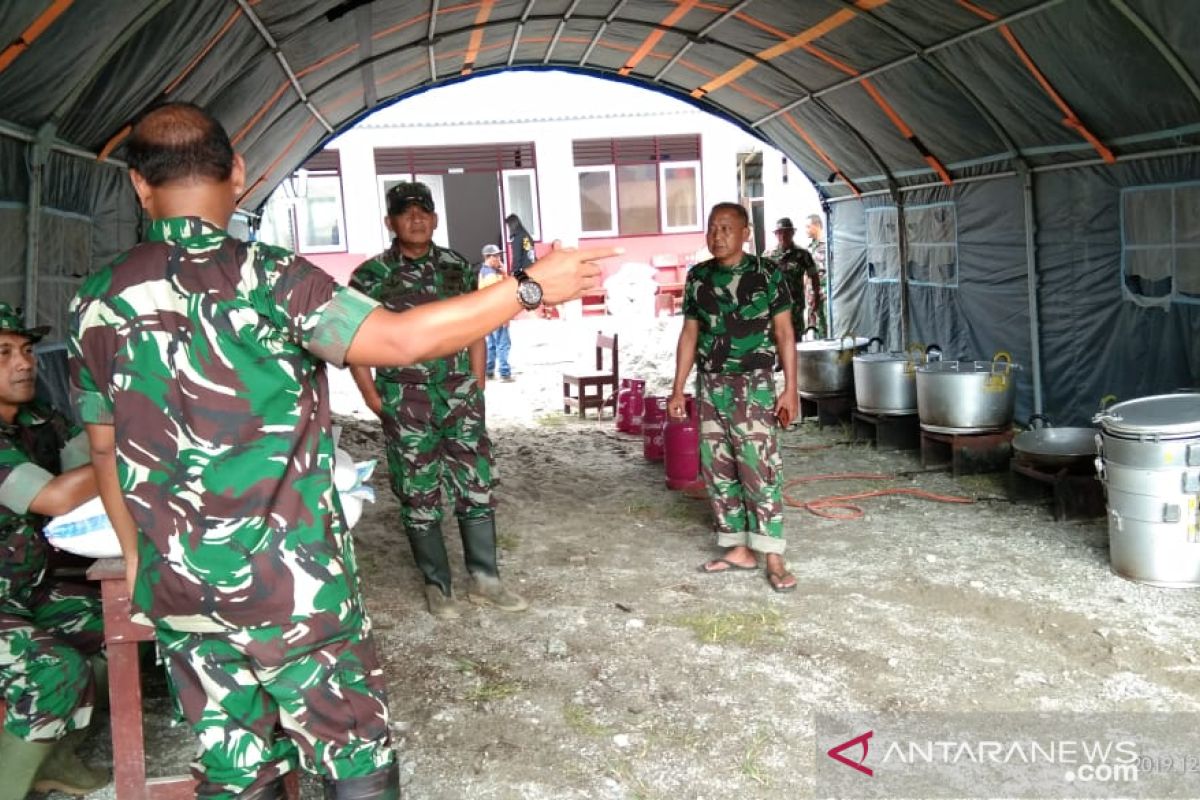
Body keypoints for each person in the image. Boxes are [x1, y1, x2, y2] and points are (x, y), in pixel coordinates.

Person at [68, 102, 612, 799]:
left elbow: (105, 447)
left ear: (139, 186)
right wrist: (530, 288)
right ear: (238, 172)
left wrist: (141, 556)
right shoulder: (269, 277)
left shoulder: (95, 299)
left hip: (181, 588)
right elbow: (399, 339)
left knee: (235, 768)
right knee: (350, 757)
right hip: (293, 589)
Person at [349, 187, 526, 620]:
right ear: (389, 222)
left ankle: (486, 579)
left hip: (460, 397)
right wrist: (373, 397)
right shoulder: (369, 276)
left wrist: (478, 385)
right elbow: (350, 340)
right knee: (417, 492)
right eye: (404, 213)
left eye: (423, 212)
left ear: (435, 218)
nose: (415, 219)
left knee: (476, 486)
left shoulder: (458, 269)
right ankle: (437, 584)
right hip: (405, 402)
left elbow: (477, 327)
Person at [0, 304, 109, 800]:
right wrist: (117, 454)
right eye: (4, 354)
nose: (24, 363)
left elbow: (84, 456)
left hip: (24, 590)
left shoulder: (38, 417)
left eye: (25, 350)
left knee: (120, 625)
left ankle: (55, 756)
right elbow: (56, 497)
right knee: (55, 669)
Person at [667, 203, 798, 594]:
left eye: (726, 228)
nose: (717, 235)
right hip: (712, 385)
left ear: (745, 234)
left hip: (754, 385)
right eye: (712, 228)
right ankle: (737, 547)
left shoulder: (768, 274)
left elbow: (785, 334)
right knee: (717, 468)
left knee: (759, 469)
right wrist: (678, 387)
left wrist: (790, 388)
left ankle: (773, 554)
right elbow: (690, 335)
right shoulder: (698, 277)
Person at [767, 217, 823, 339]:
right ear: (776, 234)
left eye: (786, 232)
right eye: (779, 232)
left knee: (795, 343)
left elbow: (814, 276)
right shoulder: (768, 255)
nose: (783, 235)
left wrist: (816, 296)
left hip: (795, 307)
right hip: (775, 307)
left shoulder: (802, 254)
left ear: (792, 233)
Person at [478, 244, 513, 381]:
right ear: (489, 257)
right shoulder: (491, 276)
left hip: (487, 315)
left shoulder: (484, 271)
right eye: (496, 256)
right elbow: (499, 296)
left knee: (491, 344)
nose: (499, 258)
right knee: (503, 343)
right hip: (497, 314)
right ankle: (504, 373)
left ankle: (489, 371)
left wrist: (503, 272)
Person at [806, 213, 829, 333]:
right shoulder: (809, 247)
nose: (806, 230)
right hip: (811, 295)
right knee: (813, 328)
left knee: (827, 327)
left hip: (824, 294)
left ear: (817, 226)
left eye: (808, 226)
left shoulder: (828, 245)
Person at [505, 214, 537, 279]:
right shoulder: (526, 235)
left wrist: (514, 272)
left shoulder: (517, 238)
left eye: (508, 226)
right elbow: (529, 251)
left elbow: (517, 257)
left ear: (512, 225)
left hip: (524, 272)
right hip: (533, 268)